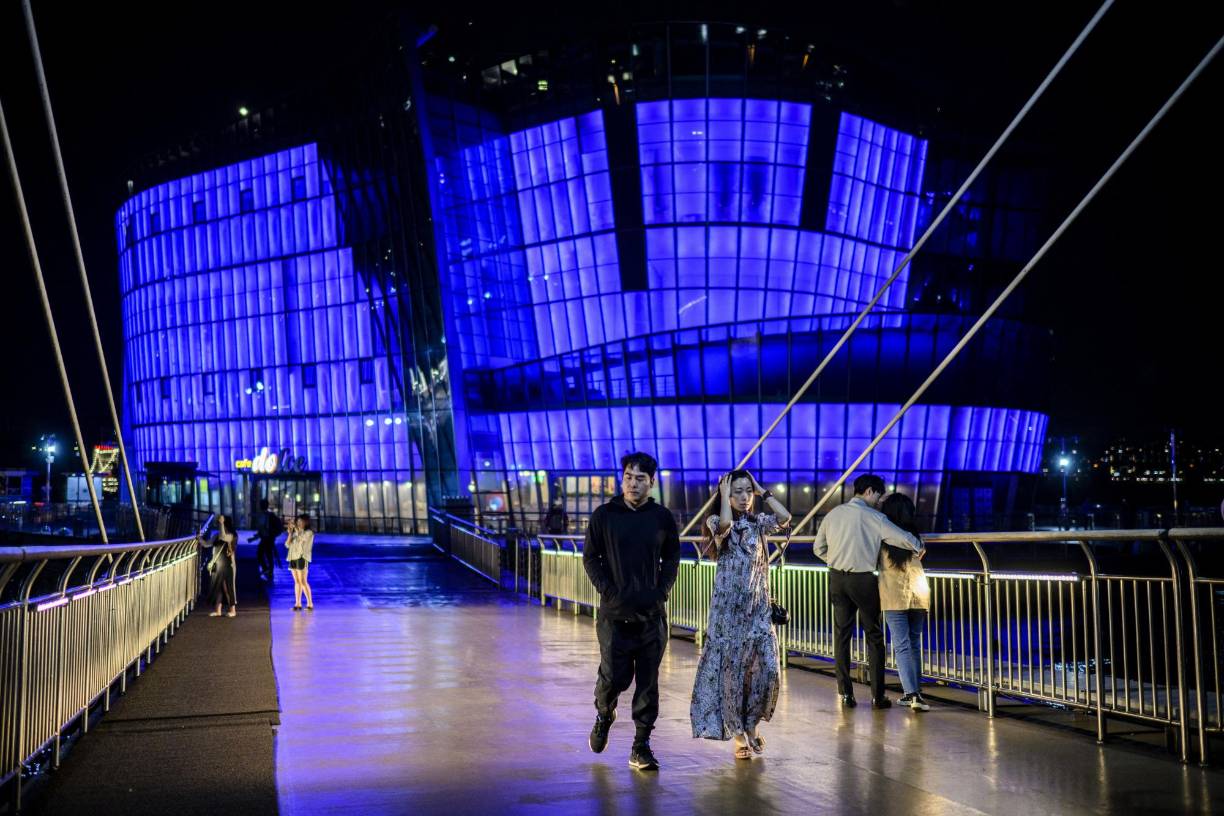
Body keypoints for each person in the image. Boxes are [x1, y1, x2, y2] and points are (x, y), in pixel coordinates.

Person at [583, 452, 680, 772]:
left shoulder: (662, 518)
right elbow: (590, 558)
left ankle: (641, 746)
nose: (633, 483)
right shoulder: (604, 515)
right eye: (628, 476)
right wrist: (608, 591)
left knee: (648, 683)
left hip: (652, 616)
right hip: (614, 615)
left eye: (640, 478)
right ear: (621, 479)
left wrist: (661, 591)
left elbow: (672, 561)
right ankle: (603, 713)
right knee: (614, 677)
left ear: (652, 482)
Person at [691, 470, 791, 760]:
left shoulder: (759, 522)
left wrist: (764, 490)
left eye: (748, 491)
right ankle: (738, 735)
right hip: (728, 613)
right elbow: (722, 526)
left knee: (769, 670)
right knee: (732, 676)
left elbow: (785, 519)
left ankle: (753, 725)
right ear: (726, 494)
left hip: (758, 608)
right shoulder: (716, 522)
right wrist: (723, 496)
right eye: (738, 492)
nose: (745, 497)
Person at [813, 474, 922, 708]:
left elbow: (818, 548)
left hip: (836, 578)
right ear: (870, 491)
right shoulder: (875, 517)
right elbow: (904, 539)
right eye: (878, 495)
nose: (878, 500)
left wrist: (834, 560)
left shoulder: (833, 514)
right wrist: (918, 545)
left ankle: (845, 694)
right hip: (862, 580)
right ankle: (877, 696)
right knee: (873, 636)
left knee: (842, 635)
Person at [878, 492, 932, 711]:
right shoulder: (916, 538)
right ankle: (915, 692)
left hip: (893, 596)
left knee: (901, 646)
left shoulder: (882, 539)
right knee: (915, 644)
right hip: (918, 594)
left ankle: (912, 694)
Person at [205, 514, 238, 618]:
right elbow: (207, 544)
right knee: (218, 587)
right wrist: (198, 538)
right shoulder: (217, 535)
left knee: (228, 587)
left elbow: (223, 537)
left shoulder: (231, 535)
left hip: (229, 565)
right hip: (218, 565)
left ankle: (233, 610)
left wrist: (221, 524)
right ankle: (218, 610)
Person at [286, 513, 315, 611]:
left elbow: (302, 539)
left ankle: (310, 603)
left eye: (300, 521)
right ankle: (297, 603)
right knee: (297, 581)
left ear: (305, 522)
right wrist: (290, 533)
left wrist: (296, 530)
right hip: (293, 557)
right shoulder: (296, 532)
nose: (298, 523)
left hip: (302, 557)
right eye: (297, 521)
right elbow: (287, 544)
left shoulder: (309, 532)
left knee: (303, 581)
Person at [249, 500, 282, 580]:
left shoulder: (267, 516)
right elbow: (263, 529)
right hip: (268, 538)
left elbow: (263, 529)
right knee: (267, 554)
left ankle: (268, 570)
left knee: (263, 554)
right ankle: (268, 570)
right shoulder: (268, 515)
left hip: (267, 538)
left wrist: (255, 538)